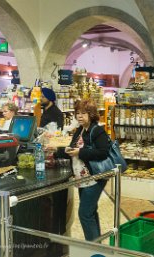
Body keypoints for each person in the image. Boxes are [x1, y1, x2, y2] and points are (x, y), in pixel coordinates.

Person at [58, 99, 109, 241]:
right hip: (82, 178)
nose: (79, 116)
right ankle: (97, 245)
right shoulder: (80, 130)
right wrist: (60, 151)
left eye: (84, 113)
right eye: (77, 113)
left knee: (85, 214)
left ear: (91, 114)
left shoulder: (97, 130)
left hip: (94, 178)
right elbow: (74, 148)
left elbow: (103, 152)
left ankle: (92, 249)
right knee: (91, 212)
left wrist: (80, 153)